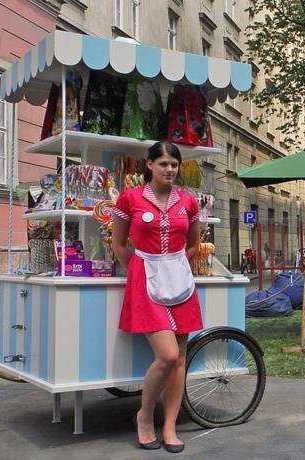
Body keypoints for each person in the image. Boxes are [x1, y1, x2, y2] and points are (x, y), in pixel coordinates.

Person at [111, 141, 202, 453]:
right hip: (145, 279)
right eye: (163, 163)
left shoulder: (188, 202)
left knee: (180, 360)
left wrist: (177, 267)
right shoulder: (130, 198)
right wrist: (138, 270)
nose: (170, 170)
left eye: (174, 164)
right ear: (148, 164)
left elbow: (194, 244)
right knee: (167, 355)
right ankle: (145, 417)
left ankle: (170, 427)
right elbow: (118, 243)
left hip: (179, 280)